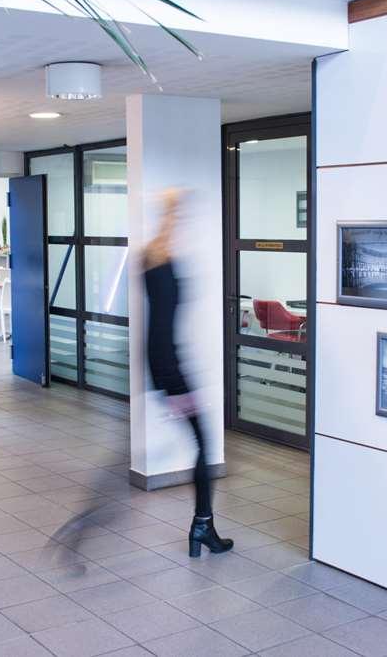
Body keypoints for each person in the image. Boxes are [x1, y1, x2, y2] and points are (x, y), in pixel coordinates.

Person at [143, 188, 233, 558]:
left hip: (167, 363)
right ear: (172, 218)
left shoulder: (154, 258)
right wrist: (171, 383)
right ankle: (202, 528)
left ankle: (204, 525)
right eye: (181, 217)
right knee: (205, 444)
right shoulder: (161, 262)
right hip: (170, 366)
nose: (186, 223)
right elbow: (161, 328)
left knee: (203, 443)